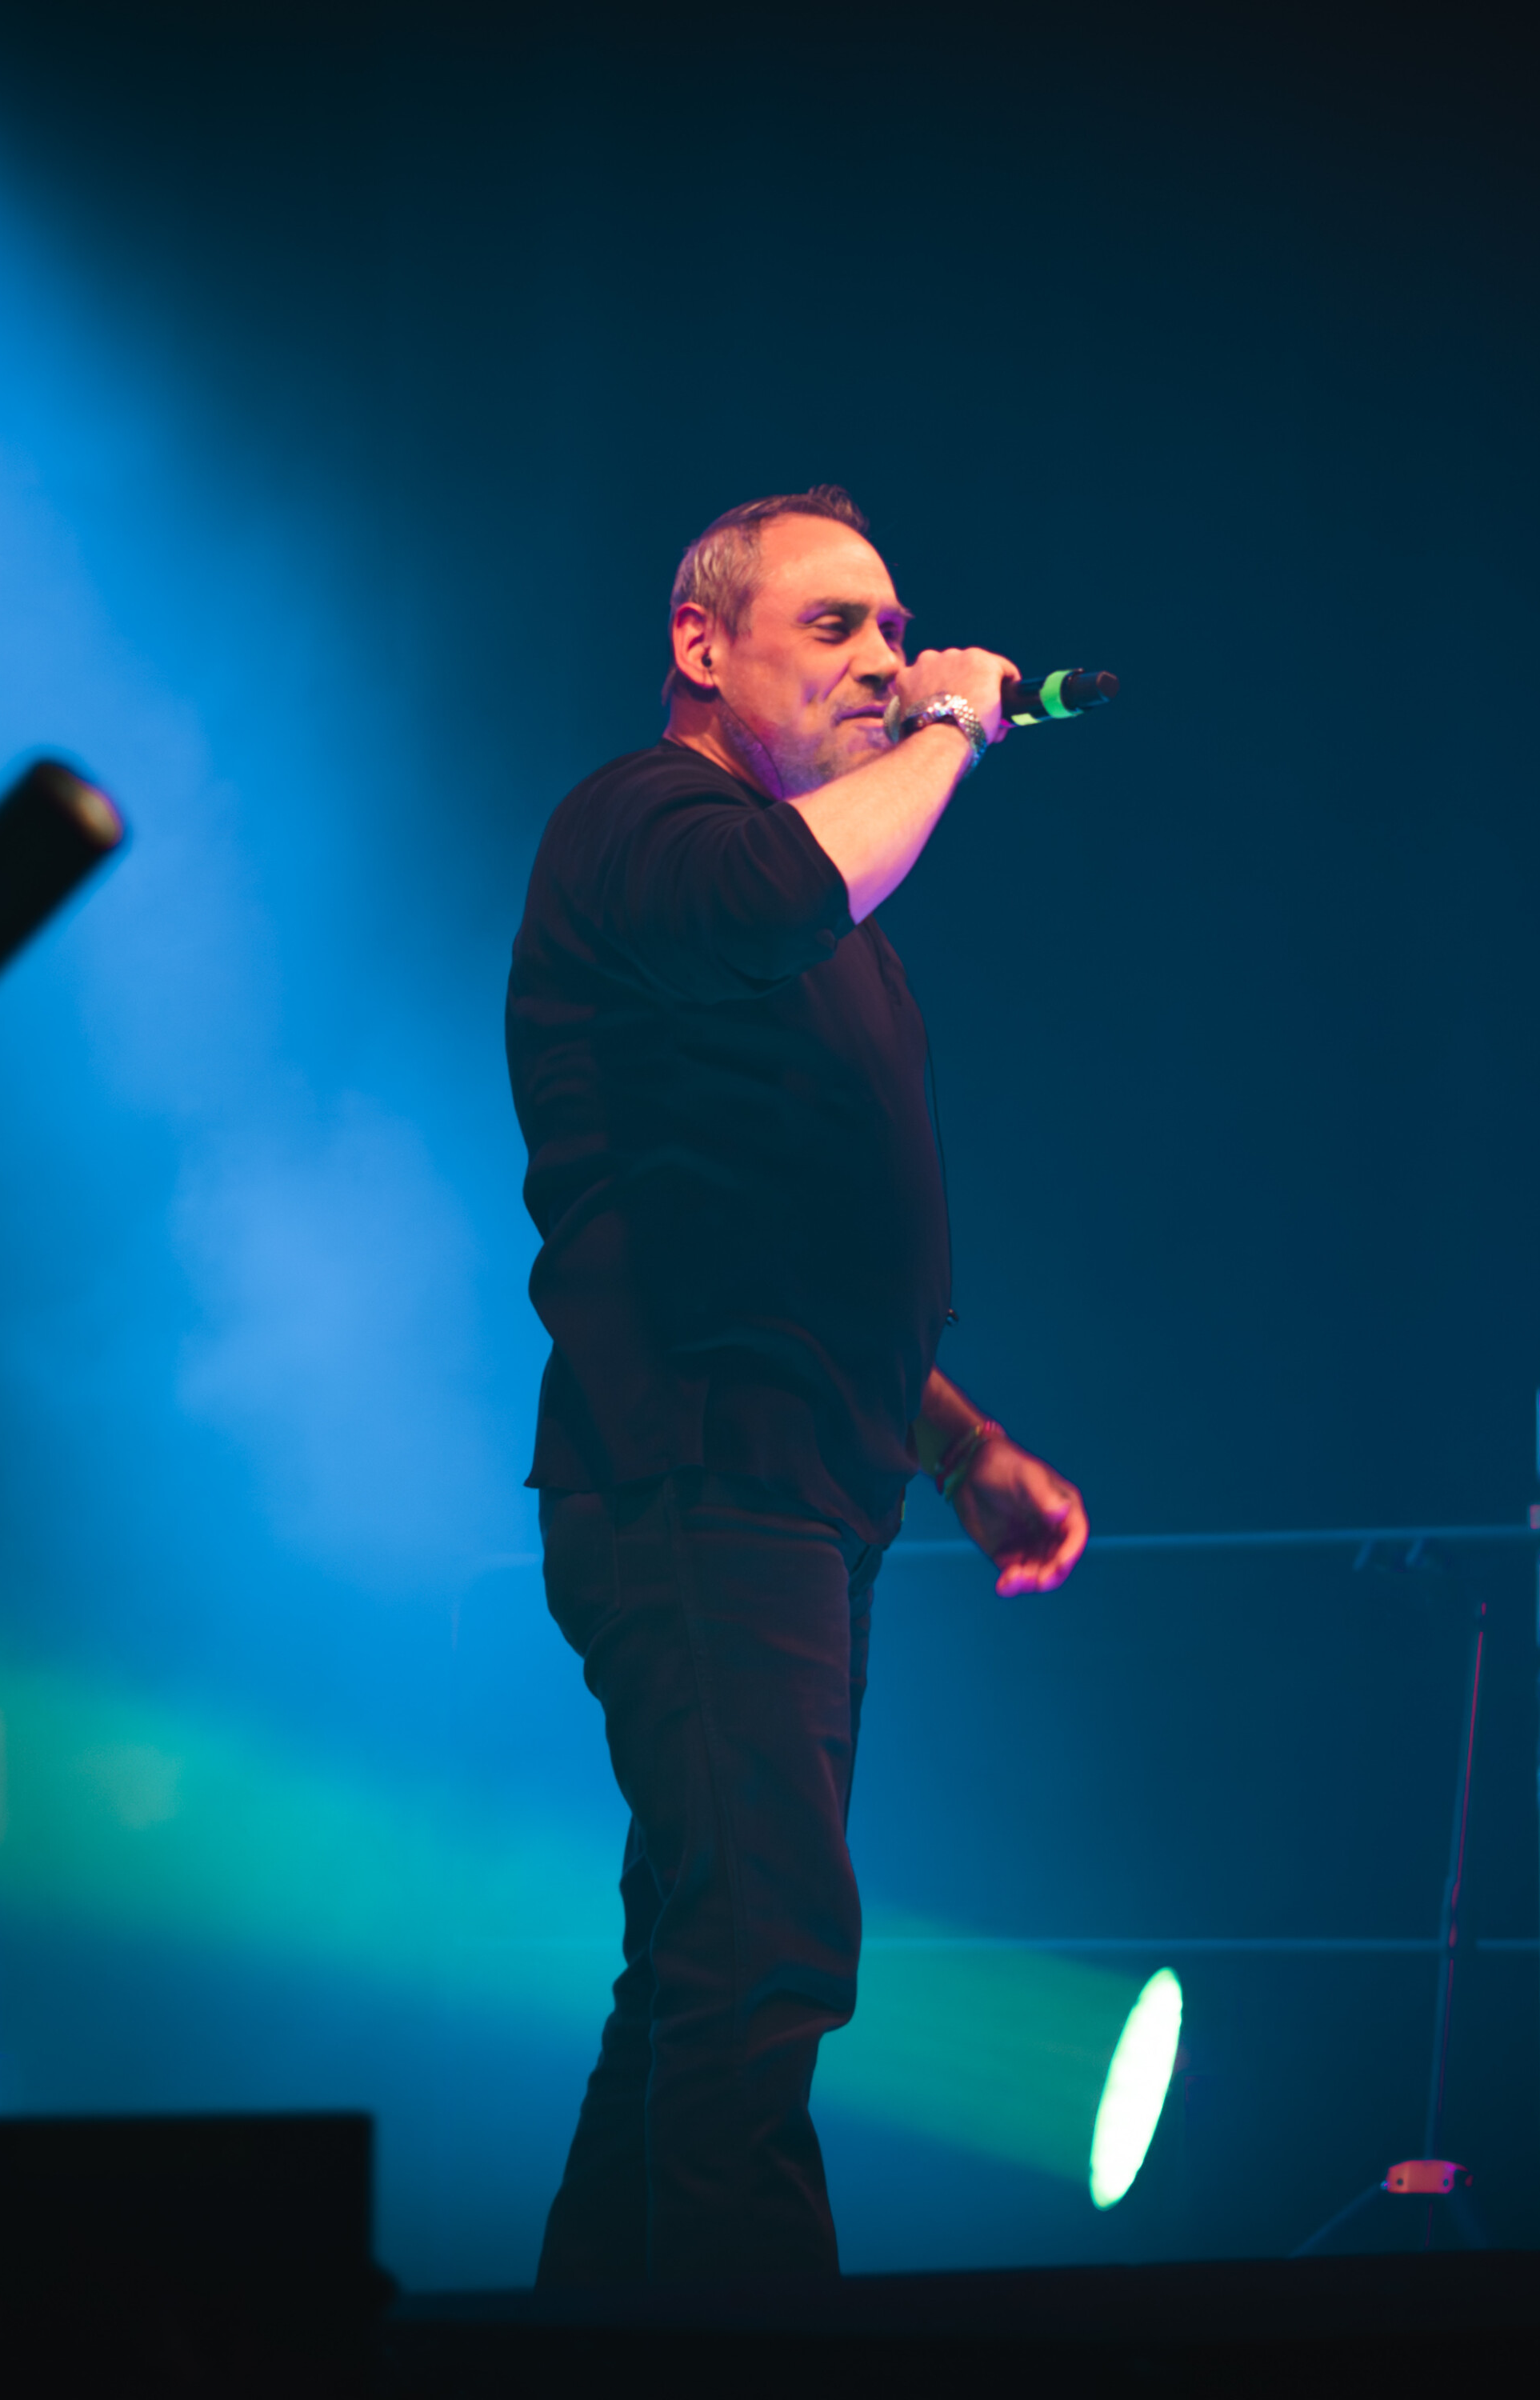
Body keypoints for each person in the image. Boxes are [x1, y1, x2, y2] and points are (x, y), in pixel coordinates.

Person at [505, 486, 1090, 2283]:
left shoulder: (827, 921)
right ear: (702, 646)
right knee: (763, 1951)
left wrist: (962, 1447)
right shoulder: (648, 824)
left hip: (806, 1485)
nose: (889, 663)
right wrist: (953, 728)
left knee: (701, 1959)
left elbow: (804, 1250)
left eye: (900, 633)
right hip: (698, 1470)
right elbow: (788, 889)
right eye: (835, 626)